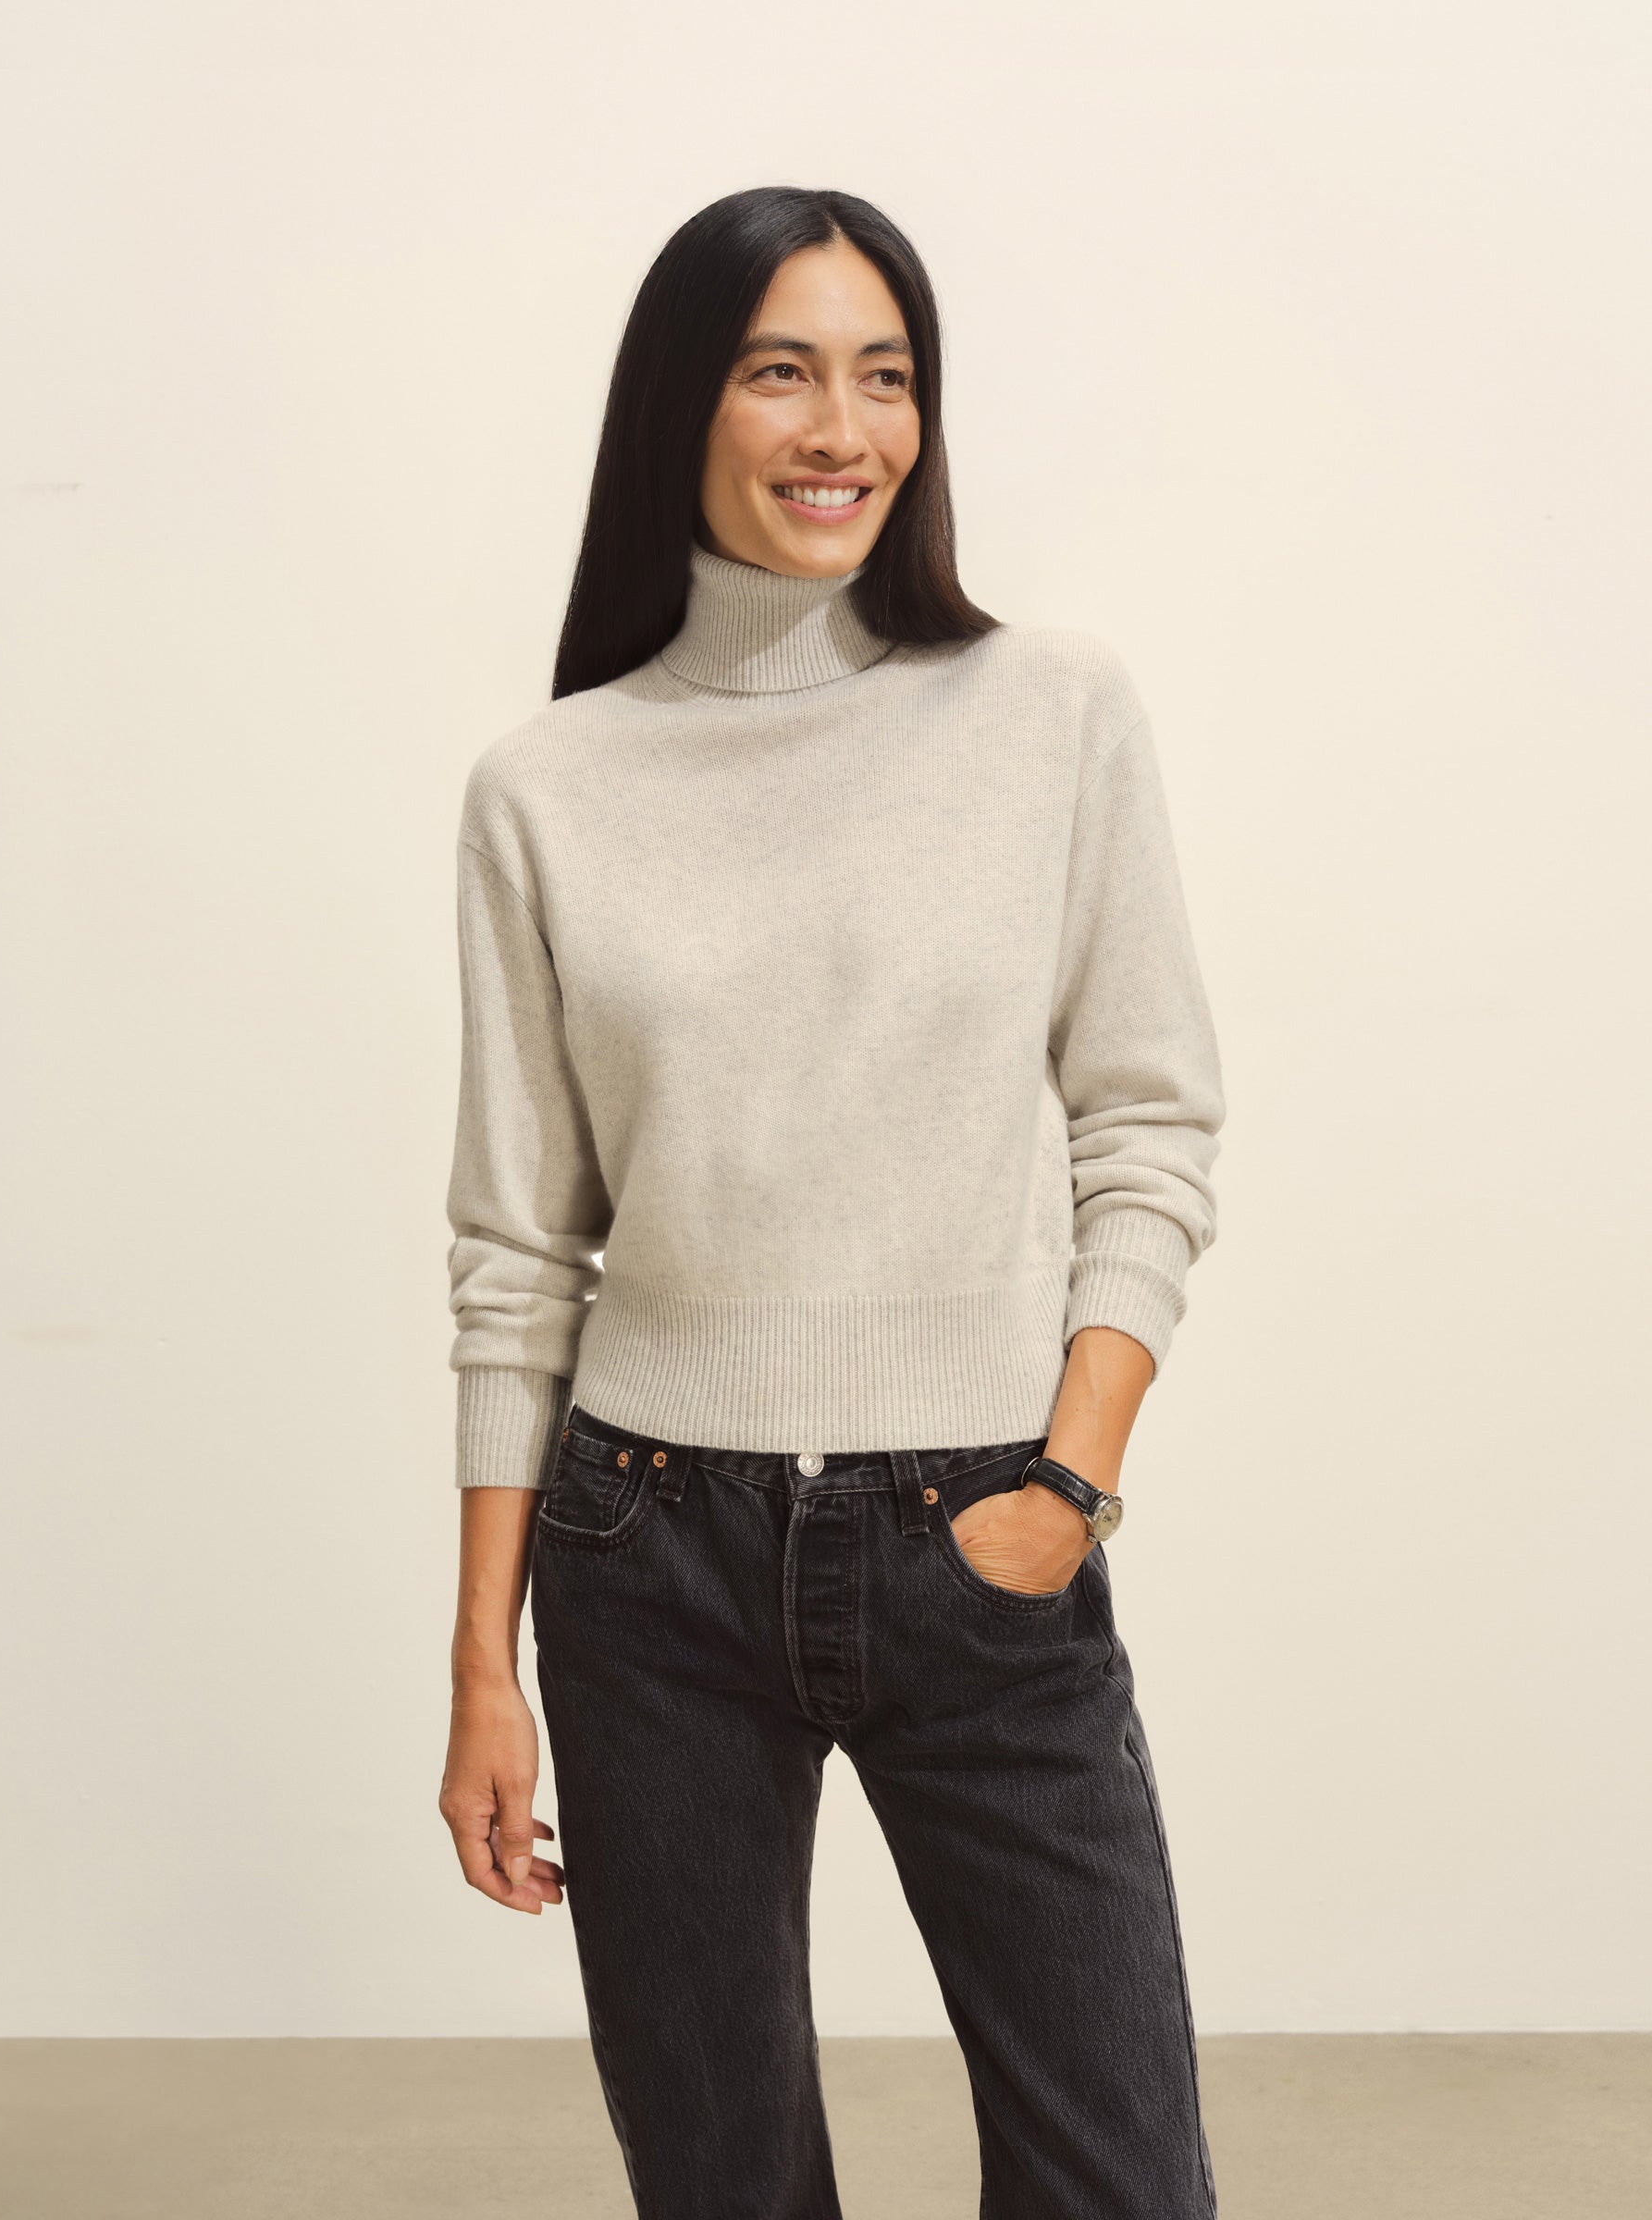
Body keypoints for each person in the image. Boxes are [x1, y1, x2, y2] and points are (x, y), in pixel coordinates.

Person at [438, 184, 1225, 2220]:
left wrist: (1072, 1481)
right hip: (647, 1556)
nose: (842, 429)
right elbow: (518, 1256)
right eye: (782, 370)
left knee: (1122, 2182)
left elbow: (1149, 1124)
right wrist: (482, 1671)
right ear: (681, 405)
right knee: (723, 2184)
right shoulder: (548, 786)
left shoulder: (1052, 712)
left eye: (886, 376)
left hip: (987, 1530)